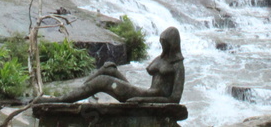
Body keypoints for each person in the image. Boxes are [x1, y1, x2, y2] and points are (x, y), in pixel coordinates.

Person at [43, 26, 184, 104]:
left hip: (147, 97)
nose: (162, 45)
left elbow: (174, 99)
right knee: (109, 68)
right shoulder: (161, 58)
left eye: (165, 42)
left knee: (104, 81)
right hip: (143, 93)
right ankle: (76, 93)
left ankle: (60, 100)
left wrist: (142, 100)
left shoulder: (177, 66)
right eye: (161, 42)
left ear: (172, 44)